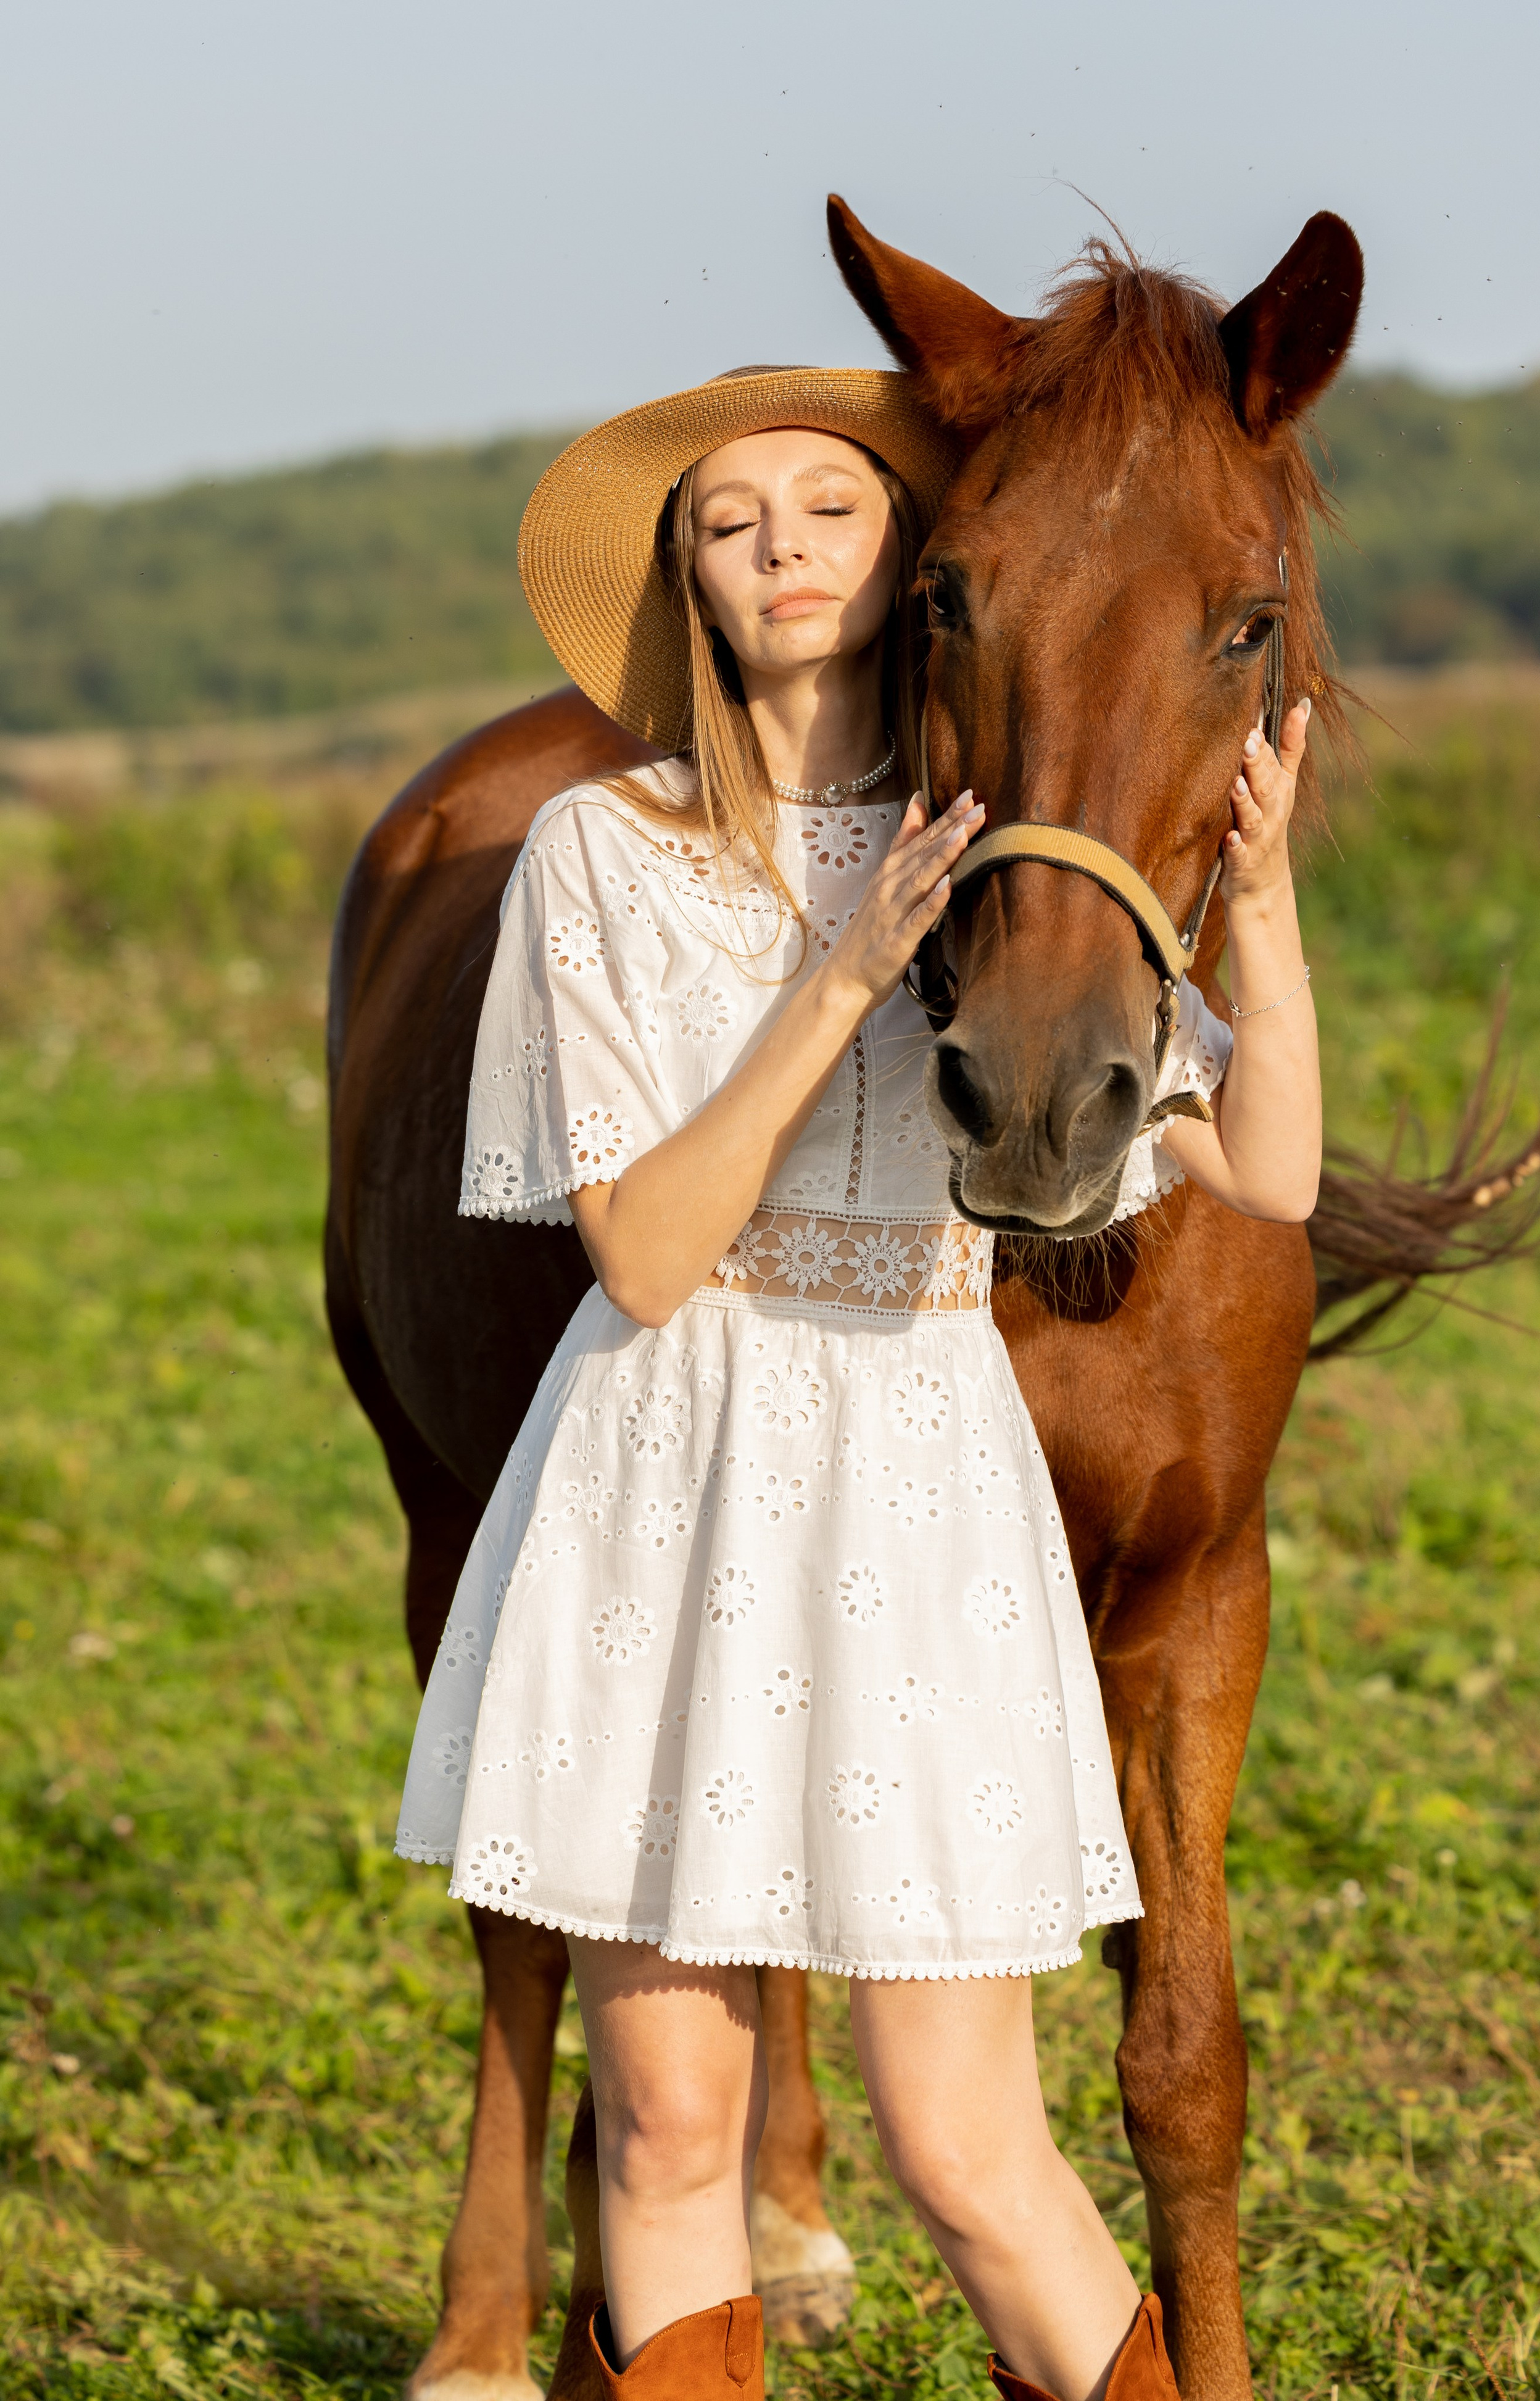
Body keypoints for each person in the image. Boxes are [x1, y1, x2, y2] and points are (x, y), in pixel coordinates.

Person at [394, 366, 1320, 2401]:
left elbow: (1270, 1167)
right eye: (732, 523)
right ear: (688, 580)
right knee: (671, 2126)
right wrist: (837, 980)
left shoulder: (1002, 864)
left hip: (918, 1487)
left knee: (969, 2147)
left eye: (829, 505)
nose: (784, 548)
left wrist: (1254, 911)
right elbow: (647, 1256)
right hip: (664, 1474)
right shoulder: (596, 853)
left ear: (909, 557)